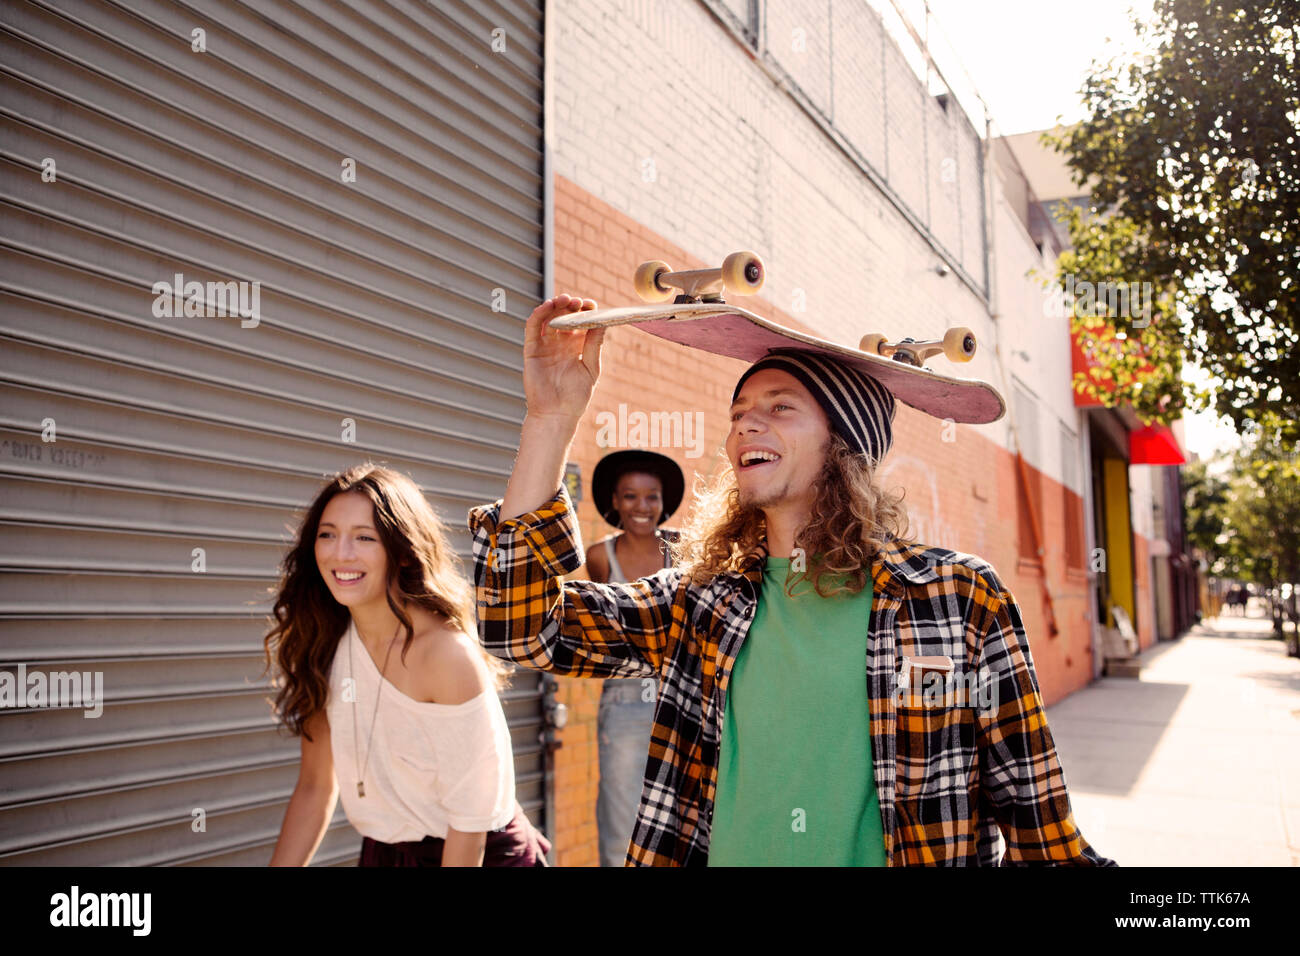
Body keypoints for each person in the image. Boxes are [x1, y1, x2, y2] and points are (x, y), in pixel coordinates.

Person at [468, 294, 1115, 867]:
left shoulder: (954, 600)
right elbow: (522, 629)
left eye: (781, 408)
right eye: (740, 411)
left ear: (844, 447)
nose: (746, 423)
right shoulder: (702, 602)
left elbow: (1038, 822)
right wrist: (550, 420)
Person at [265, 463, 550, 866]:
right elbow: (314, 787)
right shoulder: (324, 641)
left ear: (401, 552)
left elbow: (469, 828)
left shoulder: (445, 655)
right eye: (327, 535)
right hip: (387, 851)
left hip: (479, 852)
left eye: (364, 537)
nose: (340, 553)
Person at [585, 450, 683, 867]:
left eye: (651, 497)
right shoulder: (599, 557)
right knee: (622, 819)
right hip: (624, 703)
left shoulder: (683, 550)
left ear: (663, 502)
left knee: (683, 820)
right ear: (615, 502)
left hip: (681, 699)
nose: (642, 507)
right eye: (630, 496)